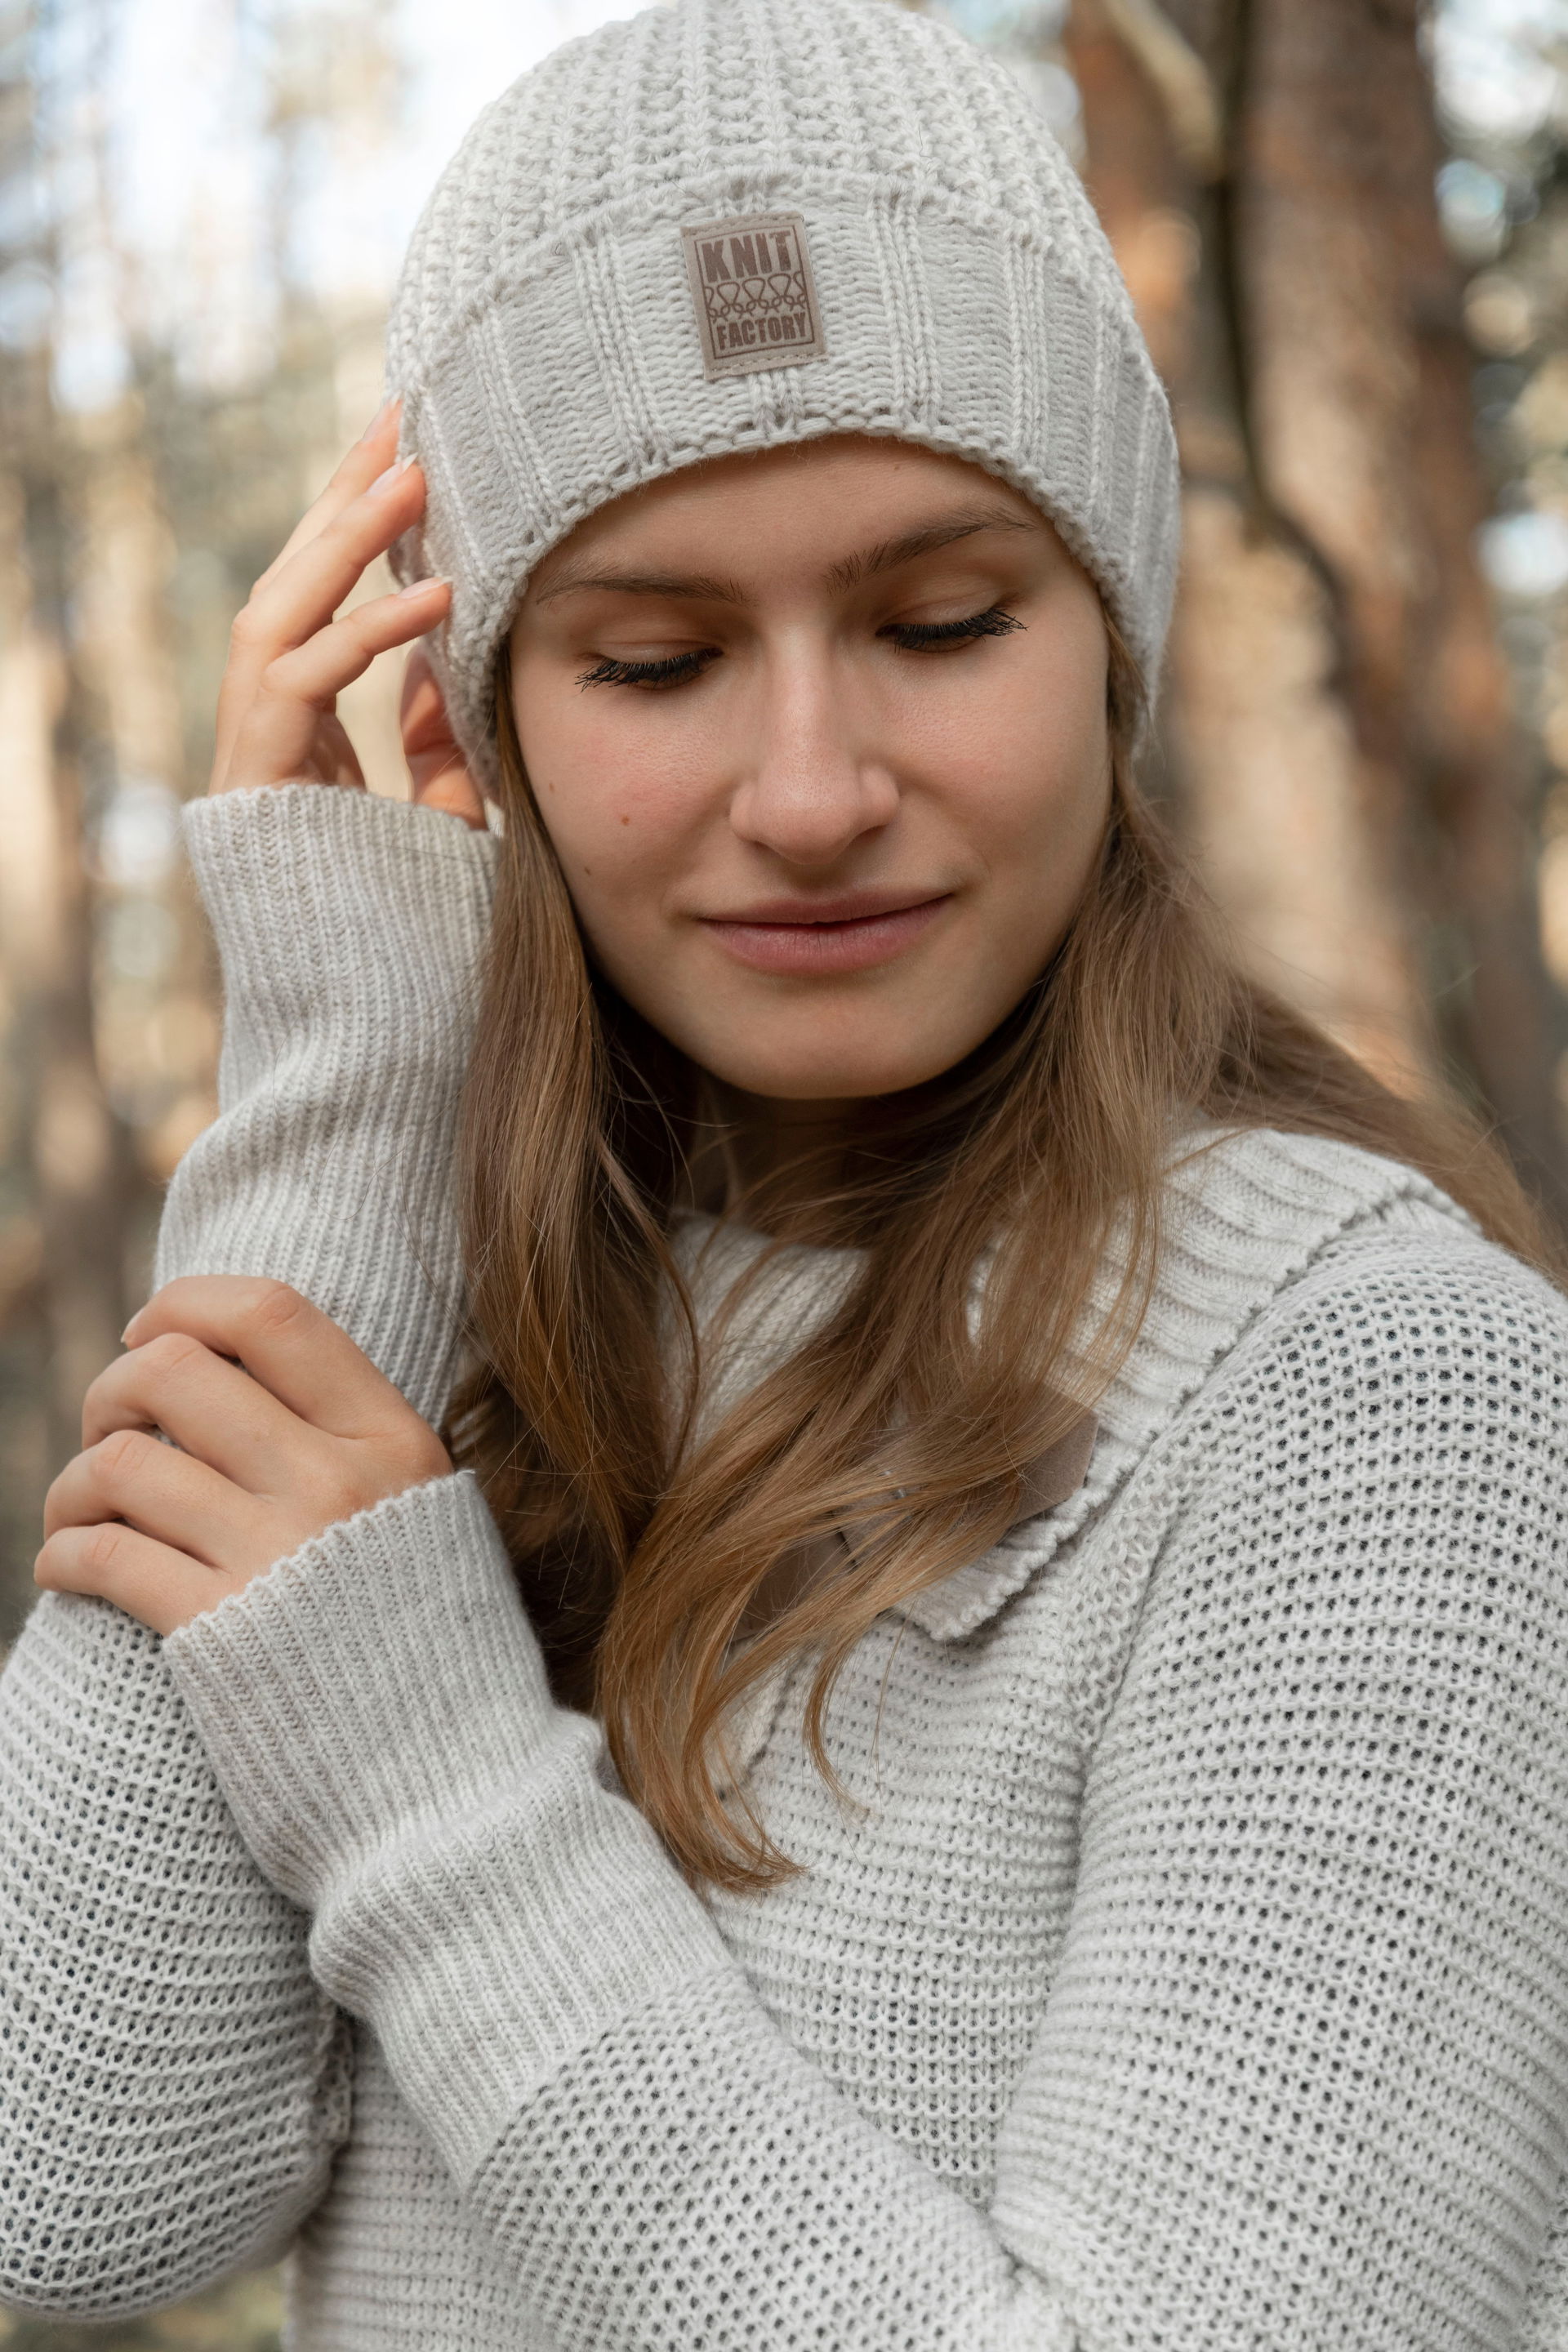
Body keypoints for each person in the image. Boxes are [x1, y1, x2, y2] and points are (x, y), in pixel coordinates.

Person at [4, 0, 1567, 2343]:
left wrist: (424, 1780)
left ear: (1112, 635)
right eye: (654, 660)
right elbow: (62, 2175)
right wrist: (350, 1069)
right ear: (478, 707)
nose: (816, 789)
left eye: (942, 623)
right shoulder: (461, 1332)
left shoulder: (1385, 1399)